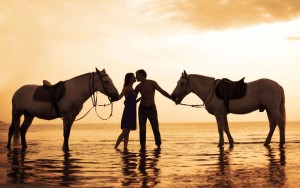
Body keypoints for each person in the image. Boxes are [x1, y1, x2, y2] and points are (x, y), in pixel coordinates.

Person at [135, 69, 174, 150]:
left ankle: (158, 145)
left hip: (151, 108)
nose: (136, 77)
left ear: (142, 74)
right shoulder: (138, 87)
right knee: (142, 129)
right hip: (142, 109)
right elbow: (132, 99)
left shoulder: (152, 83)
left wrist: (172, 98)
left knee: (155, 127)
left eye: (137, 75)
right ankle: (142, 147)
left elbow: (162, 91)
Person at [115, 73, 140, 150]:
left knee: (127, 132)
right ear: (130, 78)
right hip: (128, 112)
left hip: (132, 112)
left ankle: (125, 148)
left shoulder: (132, 88)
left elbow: (133, 101)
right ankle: (115, 147)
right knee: (125, 131)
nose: (135, 77)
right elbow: (119, 97)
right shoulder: (126, 88)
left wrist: (141, 98)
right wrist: (113, 98)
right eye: (133, 76)